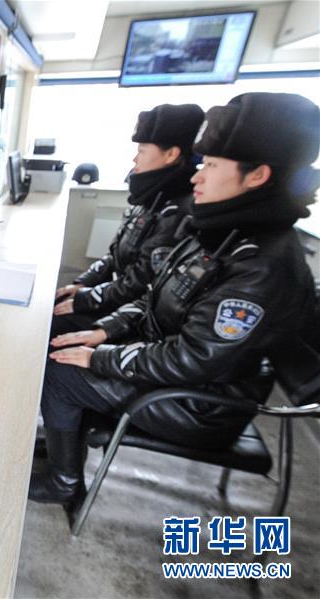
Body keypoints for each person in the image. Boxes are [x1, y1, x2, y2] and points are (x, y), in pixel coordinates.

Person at [31, 92, 319, 506]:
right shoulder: (223, 231)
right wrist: (103, 332)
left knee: (62, 371)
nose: (197, 177)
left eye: (213, 166)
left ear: (257, 176)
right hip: (174, 374)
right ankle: (63, 444)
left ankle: (64, 483)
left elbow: (191, 359)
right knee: (65, 346)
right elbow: (151, 296)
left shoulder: (263, 266)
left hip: (199, 407)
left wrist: (102, 356)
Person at [52, 104, 205, 337]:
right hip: (113, 299)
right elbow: (114, 255)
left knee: (47, 325)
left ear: (171, 154)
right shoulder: (150, 196)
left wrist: (87, 299)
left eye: (142, 151)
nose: (135, 159)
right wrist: (83, 284)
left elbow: (140, 284)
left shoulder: (180, 213)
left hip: (130, 316)